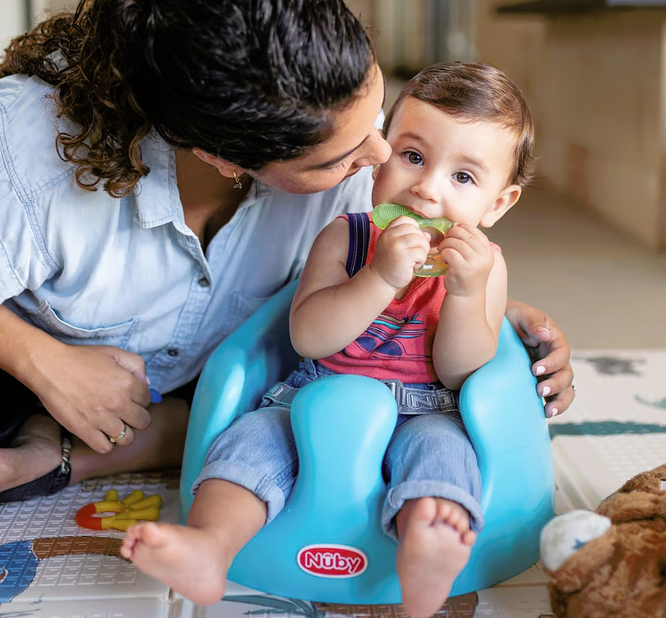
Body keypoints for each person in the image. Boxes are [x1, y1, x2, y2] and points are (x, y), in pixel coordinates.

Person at [0, 0, 574, 554]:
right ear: (223, 157)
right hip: (5, 340)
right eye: (342, 158)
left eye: (378, 120)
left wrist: (503, 313)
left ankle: (79, 451)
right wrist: (41, 363)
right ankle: (46, 425)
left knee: (288, 404)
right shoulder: (26, 155)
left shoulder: (341, 129)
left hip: (195, 368)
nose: (380, 161)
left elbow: (396, 272)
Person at [120, 62, 540, 617]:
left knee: (443, 457)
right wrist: (379, 278)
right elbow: (309, 336)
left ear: (498, 204)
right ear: (381, 156)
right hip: (310, 397)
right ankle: (210, 545)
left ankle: (426, 551)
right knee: (250, 447)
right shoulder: (345, 236)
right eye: (413, 156)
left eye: (464, 178)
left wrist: (464, 295)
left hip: (429, 408)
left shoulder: (483, 267)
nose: (427, 189)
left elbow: (462, 372)